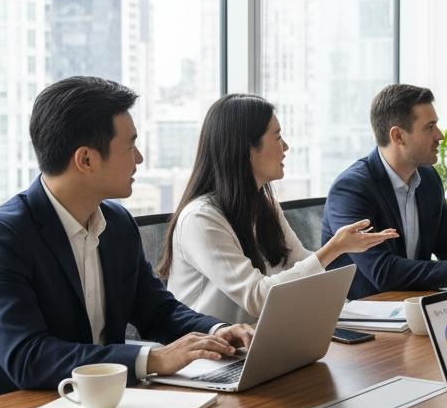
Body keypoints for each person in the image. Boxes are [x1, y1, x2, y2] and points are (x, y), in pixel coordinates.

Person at [0, 77, 255, 405]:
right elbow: (29, 357)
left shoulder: (117, 223)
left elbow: (156, 310)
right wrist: (152, 360)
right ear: (85, 160)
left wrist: (216, 333)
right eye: (130, 146)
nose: (139, 158)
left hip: (98, 405)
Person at [159, 94, 397, 327]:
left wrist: (355, 311)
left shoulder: (263, 205)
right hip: (205, 357)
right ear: (247, 148)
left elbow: (300, 264)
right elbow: (258, 298)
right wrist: (334, 248)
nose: (286, 147)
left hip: (258, 343)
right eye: (277, 137)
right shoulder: (201, 218)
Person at [323, 84, 447, 299]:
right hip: (364, 315)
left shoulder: (428, 178)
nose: (440, 135)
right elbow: (384, 271)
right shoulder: (352, 189)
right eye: (430, 127)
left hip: (411, 304)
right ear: (398, 136)